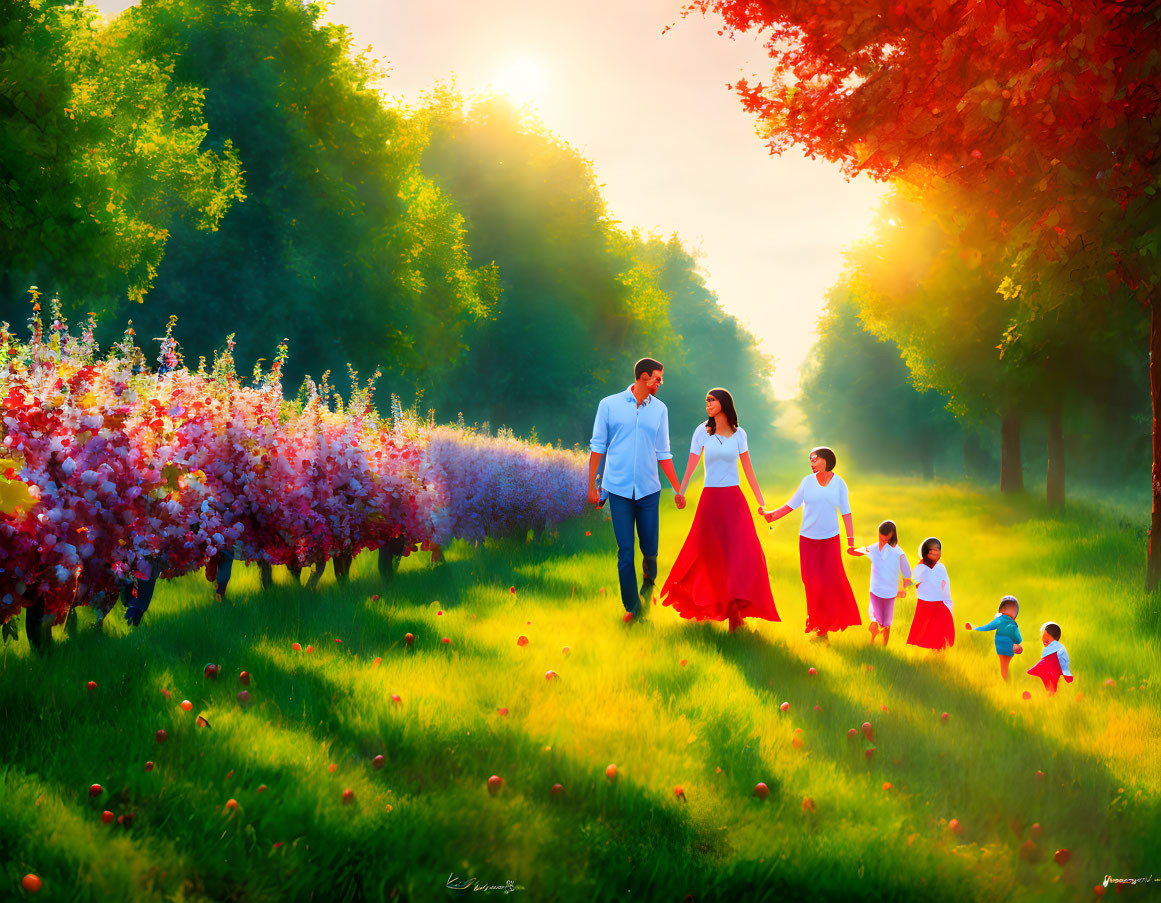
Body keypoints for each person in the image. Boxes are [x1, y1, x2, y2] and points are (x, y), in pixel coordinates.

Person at [660, 388, 779, 632]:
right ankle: (705, 605)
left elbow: (748, 469)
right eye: (706, 401)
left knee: (741, 554)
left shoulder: (739, 434)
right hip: (710, 500)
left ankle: (737, 614)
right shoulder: (701, 432)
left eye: (712, 401)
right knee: (706, 553)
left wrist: (761, 501)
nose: (708, 404)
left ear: (723, 403)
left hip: (734, 500)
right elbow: (692, 463)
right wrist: (680, 491)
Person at [589, 358, 685, 622]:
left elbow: (663, 452)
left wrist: (678, 488)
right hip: (617, 489)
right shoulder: (609, 405)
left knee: (650, 548)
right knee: (625, 550)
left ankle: (648, 579)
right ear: (644, 377)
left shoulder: (660, 410)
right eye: (657, 378)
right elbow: (598, 446)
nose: (660, 383)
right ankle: (632, 606)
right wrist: (592, 487)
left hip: (648, 490)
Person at [763, 446, 860, 640]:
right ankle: (816, 623)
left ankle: (825, 625)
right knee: (811, 582)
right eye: (810, 460)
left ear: (826, 459)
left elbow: (846, 513)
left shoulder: (839, 484)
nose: (812, 462)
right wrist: (771, 516)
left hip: (830, 540)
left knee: (831, 582)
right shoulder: (807, 482)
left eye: (815, 459)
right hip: (808, 541)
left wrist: (850, 541)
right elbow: (792, 503)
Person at [849, 519, 911, 646]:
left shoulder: (899, 553)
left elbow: (907, 572)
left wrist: (904, 586)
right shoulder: (873, 548)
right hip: (875, 590)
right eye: (880, 538)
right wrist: (853, 550)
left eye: (884, 540)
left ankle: (884, 644)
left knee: (886, 622)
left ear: (892, 536)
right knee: (874, 617)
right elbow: (863, 551)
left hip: (890, 593)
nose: (881, 542)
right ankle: (872, 640)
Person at [906, 537, 955, 650]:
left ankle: (940, 654)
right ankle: (929, 655)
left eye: (937, 549)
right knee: (925, 631)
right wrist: (901, 588)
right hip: (925, 605)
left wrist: (948, 602)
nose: (934, 552)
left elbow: (946, 586)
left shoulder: (941, 567)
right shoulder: (920, 568)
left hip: (940, 603)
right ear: (925, 551)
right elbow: (912, 582)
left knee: (943, 629)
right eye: (930, 550)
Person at [965, 595, 1024, 680]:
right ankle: (1006, 680)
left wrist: (975, 628)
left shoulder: (1000, 620)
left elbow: (987, 627)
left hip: (1001, 648)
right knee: (1005, 665)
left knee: (1003, 665)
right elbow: (1018, 638)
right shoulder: (1013, 624)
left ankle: (1005, 681)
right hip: (1009, 649)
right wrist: (1017, 644)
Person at [1027, 621, 1073, 694]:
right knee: (1050, 687)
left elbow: (1064, 661)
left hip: (1052, 671)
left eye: (1047, 636)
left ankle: (1051, 697)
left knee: (1051, 687)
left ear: (1056, 638)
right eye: (1043, 635)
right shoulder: (1051, 648)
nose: (1044, 639)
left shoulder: (1059, 649)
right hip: (1048, 670)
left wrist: (1066, 673)